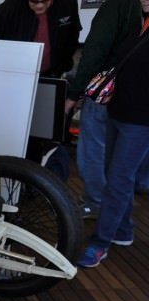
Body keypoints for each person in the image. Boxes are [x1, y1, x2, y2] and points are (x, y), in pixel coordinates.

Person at [77, 18, 149, 268]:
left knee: (118, 179)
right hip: (117, 112)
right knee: (116, 176)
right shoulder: (138, 25)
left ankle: (100, 243)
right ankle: (123, 230)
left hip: (140, 122)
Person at [63, 0, 144, 219]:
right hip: (136, 95)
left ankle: (96, 201)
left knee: (94, 148)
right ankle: (121, 202)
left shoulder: (116, 6)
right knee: (124, 154)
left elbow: (95, 50)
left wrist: (75, 93)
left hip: (106, 90)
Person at [0, 0, 81, 78]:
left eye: (45, 1)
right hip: (17, 76)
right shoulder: (7, 9)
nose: (40, 5)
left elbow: (73, 34)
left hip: (53, 74)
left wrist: (62, 65)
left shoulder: (68, 4)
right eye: (34, 1)